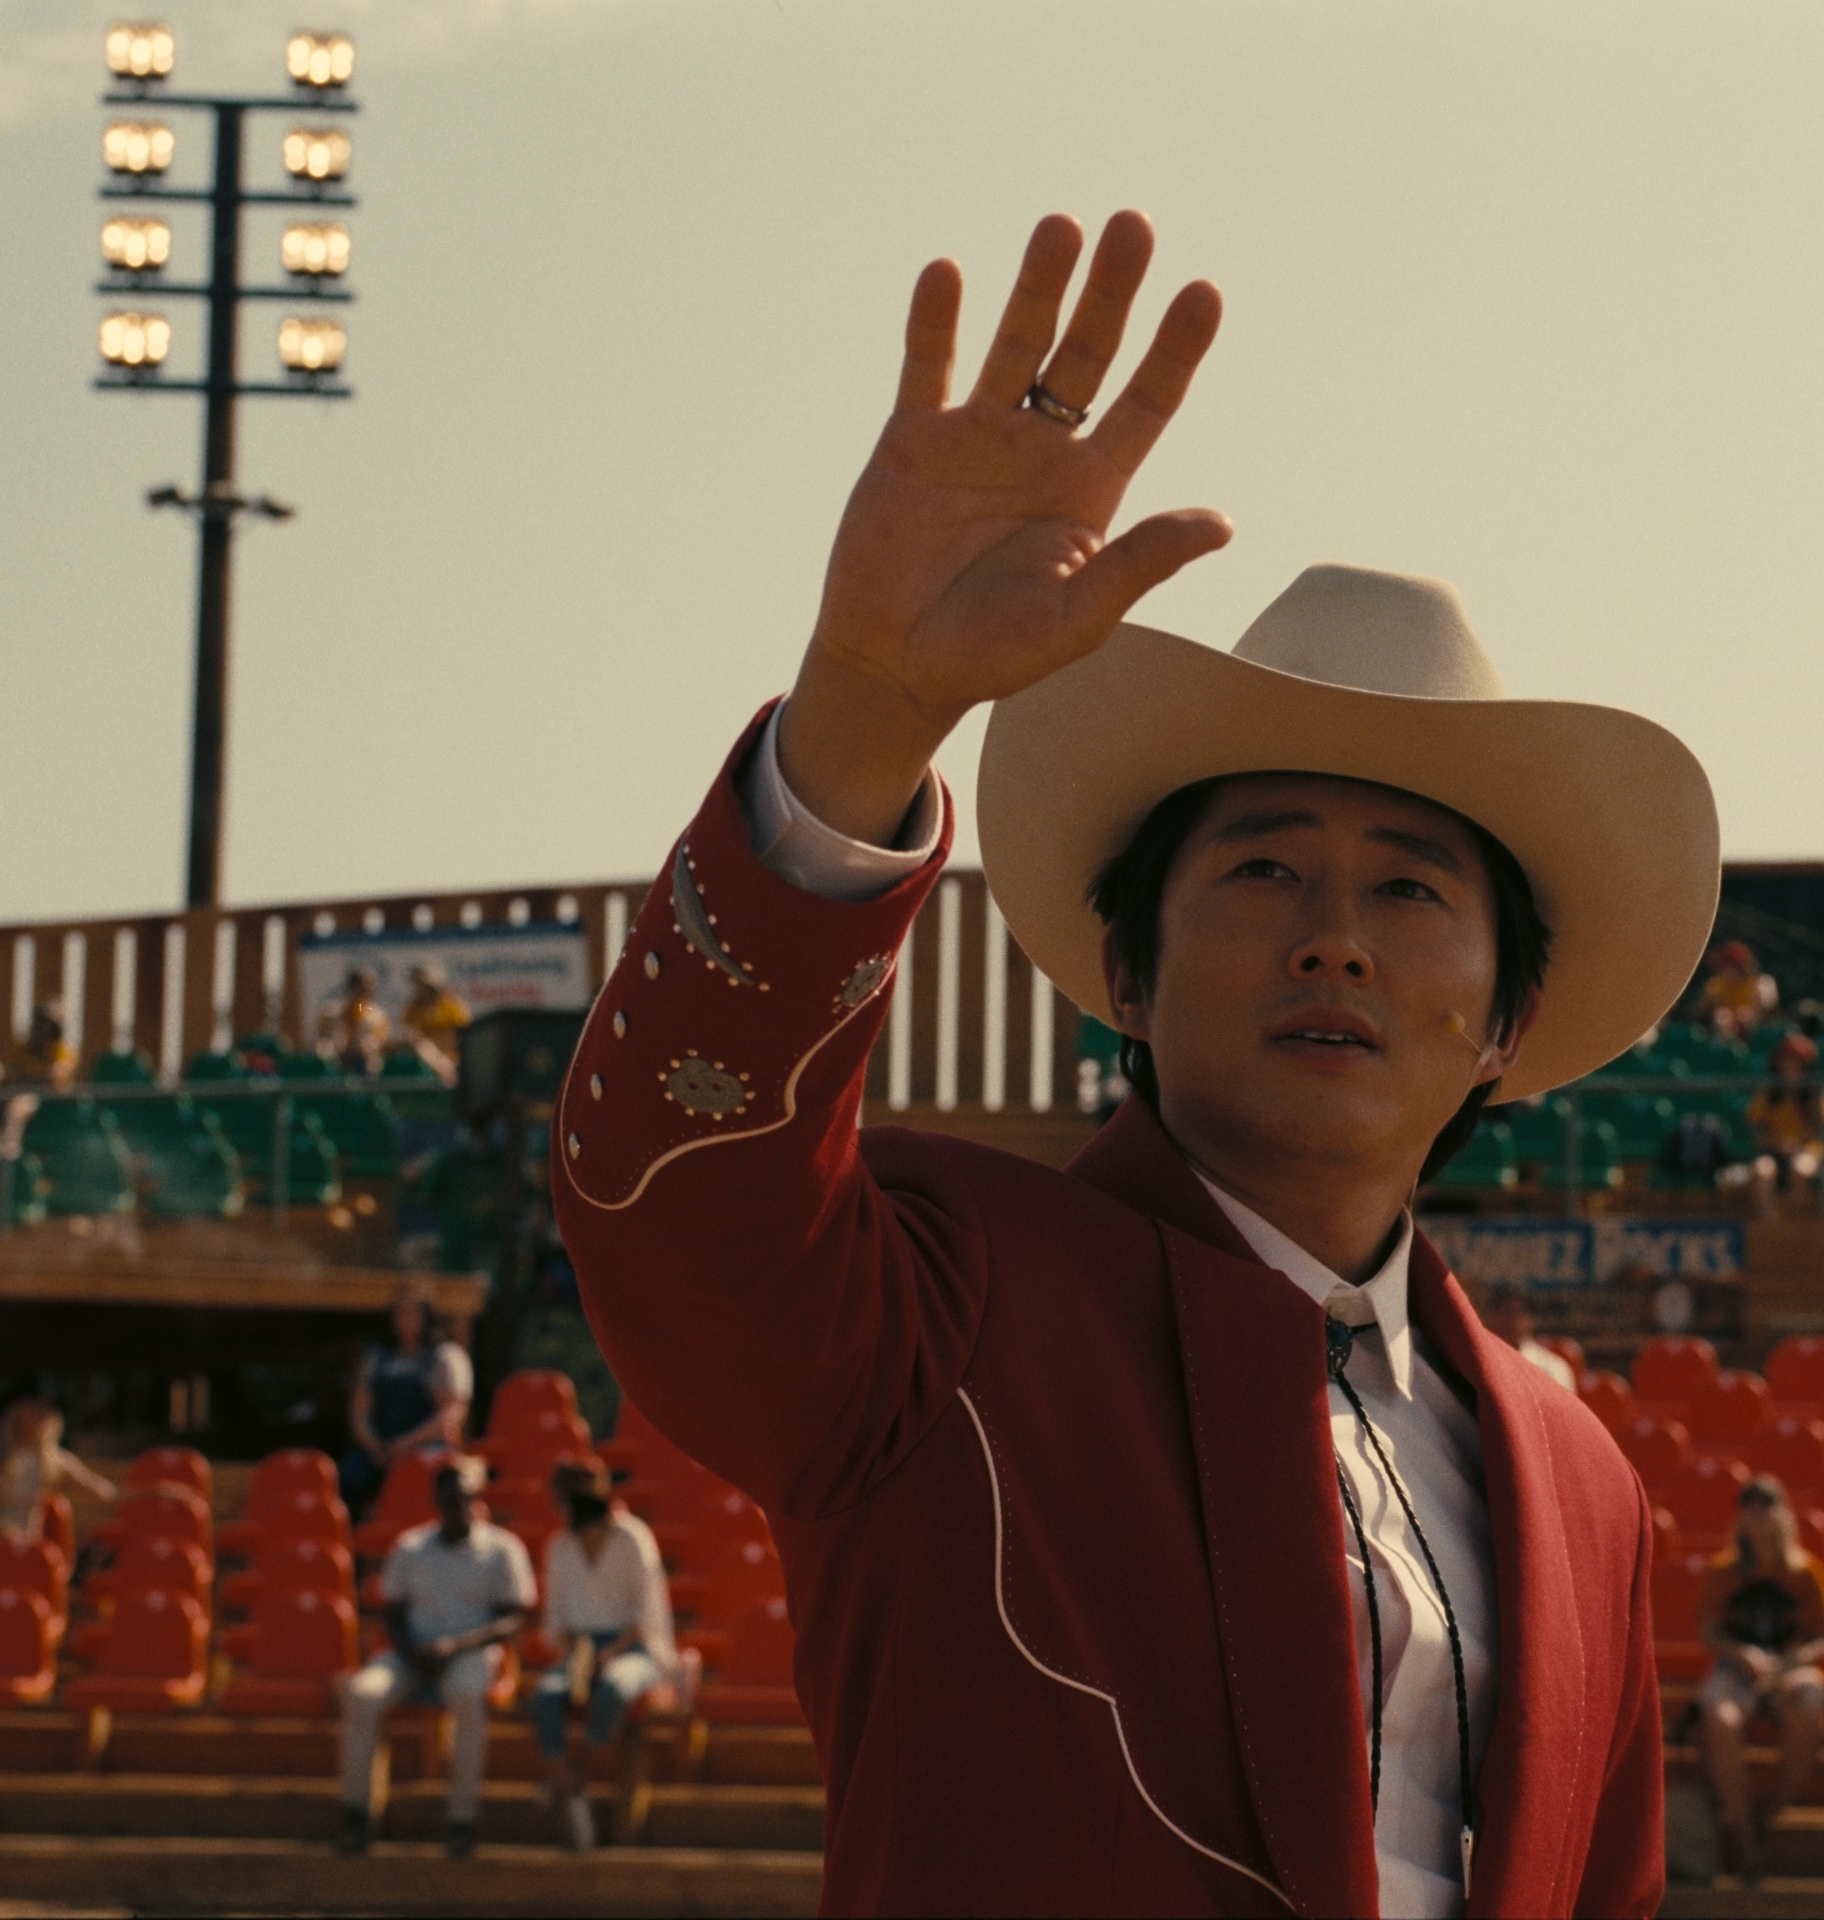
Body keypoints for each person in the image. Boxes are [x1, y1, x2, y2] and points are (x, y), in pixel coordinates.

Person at [549, 211, 1703, 1914]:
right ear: (1126, 973)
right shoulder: (939, 1308)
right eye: (1261, 869)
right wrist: (864, 709)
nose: (1333, 939)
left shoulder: (1578, 1478)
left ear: (1504, 1028)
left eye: (1408, 889)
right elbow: (680, 1218)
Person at [336, 1460, 536, 1859]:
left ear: (477, 1500)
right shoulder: (411, 1546)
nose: (459, 1506)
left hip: (471, 1653)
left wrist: (455, 1646)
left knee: (467, 1695)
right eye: (451, 1498)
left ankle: (462, 1820)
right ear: (437, 1501)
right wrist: (414, 1651)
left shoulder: (503, 1548)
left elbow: (514, 1618)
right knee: (361, 1694)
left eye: (466, 1498)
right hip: (412, 1653)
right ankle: (357, 1815)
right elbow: (392, 1611)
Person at [530, 1462, 685, 1851]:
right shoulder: (559, 1546)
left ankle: (571, 1777)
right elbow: (557, 1622)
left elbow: (646, 1614)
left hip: (635, 1650)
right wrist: (585, 1654)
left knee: (614, 1687)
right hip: (581, 1651)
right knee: (545, 1697)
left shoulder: (633, 1537)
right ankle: (573, 1789)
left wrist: (611, 1652)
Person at [1695, 1476, 1824, 1890]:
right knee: (1718, 1716)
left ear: (1784, 1514)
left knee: (1811, 1702)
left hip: (1789, 1667)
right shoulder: (1722, 1571)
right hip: (1736, 1670)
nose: (1759, 1514)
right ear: (1739, 1517)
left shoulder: (1806, 1571)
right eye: (1750, 1506)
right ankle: (1745, 1838)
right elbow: (1709, 1631)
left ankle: (1770, 1810)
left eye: (1768, 1505)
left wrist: (1789, 1663)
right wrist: (1741, 1654)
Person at [341, 1283, 471, 1512]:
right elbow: (359, 1411)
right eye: (400, 1312)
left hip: (425, 1448)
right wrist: (375, 1446)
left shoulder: (444, 1357)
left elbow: (451, 1414)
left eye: (412, 1312)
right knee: (348, 1477)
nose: (405, 1319)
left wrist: (407, 1444)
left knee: (422, 1482)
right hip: (381, 1448)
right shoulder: (377, 1359)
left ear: (426, 1317)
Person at [0, 1396, 114, 1580]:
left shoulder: (54, 1460)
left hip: (32, 1545)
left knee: (38, 1562)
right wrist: (11, 1535)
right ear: (16, 1412)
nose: (42, 1415)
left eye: (47, 1410)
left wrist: (140, 1495)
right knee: (11, 1558)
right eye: (34, 1409)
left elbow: (100, 1490)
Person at [1744, 1033, 1824, 1222]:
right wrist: (1779, 1144)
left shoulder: (1817, 1092)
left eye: (1796, 1062)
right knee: (1762, 1170)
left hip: (1807, 1150)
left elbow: (1821, 1129)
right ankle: (1771, 1226)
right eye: (1787, 1061)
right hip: (1774, 1151)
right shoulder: (1768, 1092)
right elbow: (1758, 1130)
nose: (1790, 1066)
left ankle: (1794, 1224)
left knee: (1799, 1169)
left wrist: (1796, 1144)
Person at [1478, 1287, 1577, 1392]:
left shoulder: (1553, 1368)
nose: (1513, 1320)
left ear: (1531, 1321)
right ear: (1491, 1316)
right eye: (1507, 1311)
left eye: (1519, 1313)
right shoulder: (1479, 1362)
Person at [401, 963, 472, 1084]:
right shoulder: (412, 1009)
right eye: (417, 984)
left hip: (453, 1054)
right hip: (423, 1057)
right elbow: (408, 1035)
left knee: (428, 1049)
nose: (420, 988)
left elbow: (463, 1035)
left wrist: (435, 1044)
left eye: (423, 984)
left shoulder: (452, 1006)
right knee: (424, 1048)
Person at [1696, 941, 1775, 1041]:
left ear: (1739, 968)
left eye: (1726, 966)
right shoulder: (1715, 986)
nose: (1721, 970)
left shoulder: (1759, 984)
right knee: (1722, 1016)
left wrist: (1743, 1017)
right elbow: (1699, 1013)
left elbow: (1769, 1011)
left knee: (1744, 1014)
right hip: (1722, 1036)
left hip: (1754, 1033)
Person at [320, 967, 392, 1075]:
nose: (365, 992)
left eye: (368, 988)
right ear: (351, 988)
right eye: (360, 988)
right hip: (335, 1061)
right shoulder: (331, 1012)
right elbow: (322, 1039)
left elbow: (378, 1042)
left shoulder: (377, 1016)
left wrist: (360, 1045)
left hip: (366, 1065)